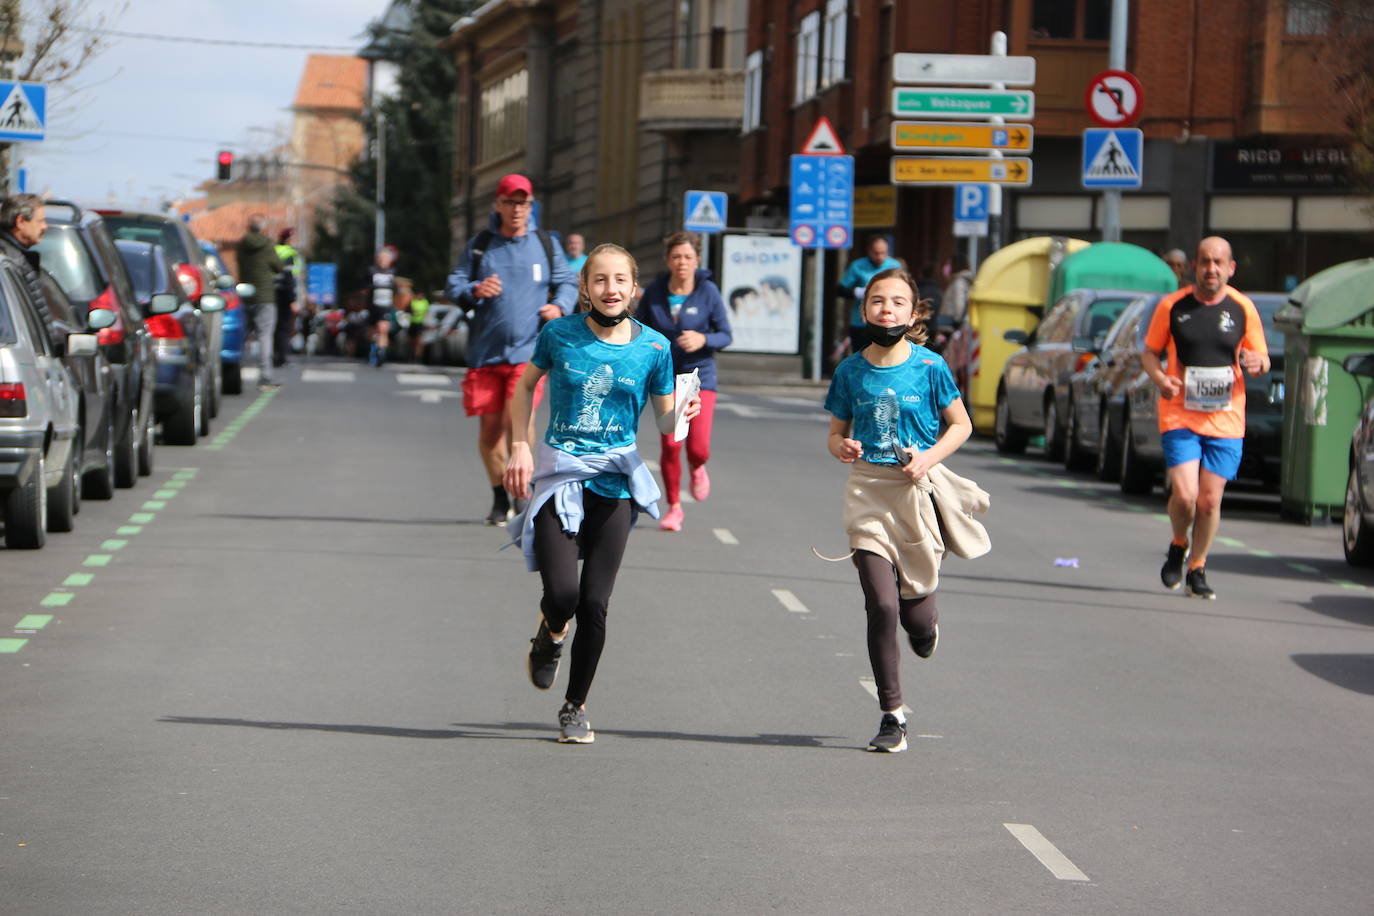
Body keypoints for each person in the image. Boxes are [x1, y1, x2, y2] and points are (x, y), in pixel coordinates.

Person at [504, 243, 701, 743]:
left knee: (594, 601)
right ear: (585, 288)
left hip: (615, 483)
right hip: (560, 477)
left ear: (634, 288)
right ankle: (550, 635)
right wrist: (520, 448)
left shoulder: (655, 347)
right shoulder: (559, 335)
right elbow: (525, 388)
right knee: (563, 595)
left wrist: (682, 414)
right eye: (599, 280)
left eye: (620, 281)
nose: (610, 289)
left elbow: (663, 419)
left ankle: (575, 707)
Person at [823, 267, 984, 753]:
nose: (886, 309)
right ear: (863, 309)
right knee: (882, 604)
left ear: (913, 314)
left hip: (917, 495)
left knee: (914, 615)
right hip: (868, 493)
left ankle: (927, 627)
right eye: (876, 300)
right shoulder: (851, 370)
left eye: (896, 302)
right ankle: (892, 715)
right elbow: (833, 434)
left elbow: (962, 425)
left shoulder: (931, 367)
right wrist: (843, 447)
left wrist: (927, 458)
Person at [447, 173, 578, 526]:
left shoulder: (545, 244)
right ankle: (499, 496)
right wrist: (475, 288)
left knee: (516, 424)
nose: (517, 209)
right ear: (498, 205)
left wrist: (560, 307)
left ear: (531, 206)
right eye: (511, 202)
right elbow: (455, 282)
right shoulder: (481, 244)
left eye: (524, 203)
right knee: (490, 433)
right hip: (484, 355)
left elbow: (566, 281)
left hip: (528, 355)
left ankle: (521, 494)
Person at [1142, 237, 1269, 600]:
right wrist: (1161, 379)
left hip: (1227, 418)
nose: (1210, 269)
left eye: (1218, 263)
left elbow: (1261, 357)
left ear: (1230, 268)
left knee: (1209, 502)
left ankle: (1197, 565)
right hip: (1180, 412)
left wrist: (1259, 363)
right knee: (1185, 495)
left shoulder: (1243, 308)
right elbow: (1149, 354)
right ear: (1194, 266)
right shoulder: (1172, 306)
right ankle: (1178, 543)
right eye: (1204, 262)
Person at [638, 231, 733, 532]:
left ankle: (697, 466)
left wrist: (703, 337)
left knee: (698, 447)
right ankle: (674, 507)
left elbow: (726, 335)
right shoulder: (654, 292)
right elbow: (638, 329)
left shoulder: (708, 292)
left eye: (688, 257)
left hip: (698, 376)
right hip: (666, 377)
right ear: (668, 260)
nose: (682, 263)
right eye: (676, 257)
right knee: (670, 444)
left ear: (697, 260)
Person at [0, 193, 57, 346]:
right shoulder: (10, 262)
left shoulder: (17, 257)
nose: (45, 226)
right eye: (40, 221)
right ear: (20, 221)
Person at [236, 215, 284, 390]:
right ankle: (265, 377)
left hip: (245, 293)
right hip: (265, 296)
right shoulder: (266, 244)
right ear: (262, 228)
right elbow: (277, 266)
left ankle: (233, 372)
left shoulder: (241, 244)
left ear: (248, 227)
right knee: (264, 335)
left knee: (241, 335)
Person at [836, 235, 902, 355]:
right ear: (869, 251)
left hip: (886, 322)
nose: (880, 257)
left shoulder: (895, 266)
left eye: (883, 253)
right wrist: (858, 292)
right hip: (861, 323)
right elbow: (840, 290)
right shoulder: (858, 266)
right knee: (861, 357)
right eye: (876, 253)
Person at [273, 228, 301, 368]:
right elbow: (289, 278)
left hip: (272, 293)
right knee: (284, 327)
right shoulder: (289, 253)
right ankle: (282, 357)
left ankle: (275, 354)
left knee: (274, 326)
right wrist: (293, 300)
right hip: (284, 294)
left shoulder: (274, 250)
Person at [367, 245, 398, 368]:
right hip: (373, 306)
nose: (382, 260)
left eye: (384, 258)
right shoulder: (371, 271)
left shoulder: (392, 273)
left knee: (383, 329)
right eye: (380, 258)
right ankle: (375, 346)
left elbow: (396, 290)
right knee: (373, 332)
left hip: (385, 306)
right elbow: (365, 288)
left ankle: (381, 353)